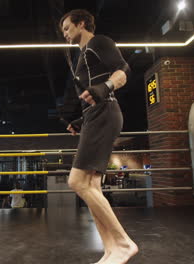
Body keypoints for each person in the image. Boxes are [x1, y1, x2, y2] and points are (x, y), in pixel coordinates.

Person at [59, 9, 138, 264]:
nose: (65, 34)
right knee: (92, 186)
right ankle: (111, 249)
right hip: (95, 116)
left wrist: (105, 87)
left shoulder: (98, 42)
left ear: (82, 24)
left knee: (77, 182)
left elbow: (123, 71)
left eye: (68, 28)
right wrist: (80, 121)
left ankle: (125, 244)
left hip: (106, 113)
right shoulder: (82, 55)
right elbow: (91, 95)